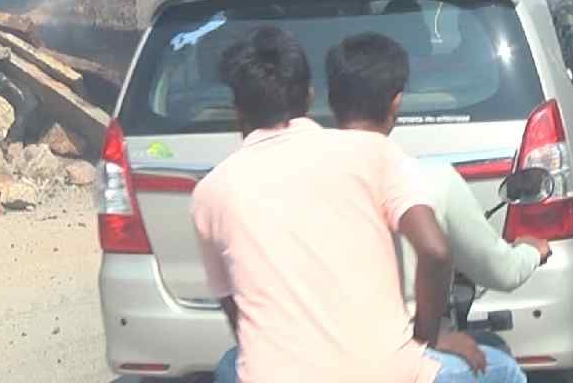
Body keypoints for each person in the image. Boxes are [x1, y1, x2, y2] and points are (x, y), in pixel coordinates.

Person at [194, 26, 523, 383]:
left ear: (237, 110)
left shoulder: (210, 192)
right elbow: (435, 250)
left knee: (231, 366)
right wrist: (427, 339)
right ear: (308, 97)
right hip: (387, 375)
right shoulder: (371, 152)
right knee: (503, 370)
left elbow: (238, 315)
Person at [325, 33, 550, 323]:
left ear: (331, 102)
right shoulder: (432, 179)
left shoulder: (294, 182)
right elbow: (503, 272)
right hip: (400, 350)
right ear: (396, 102)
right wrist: (532, 250)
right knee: (503, 365)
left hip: (308, 350)